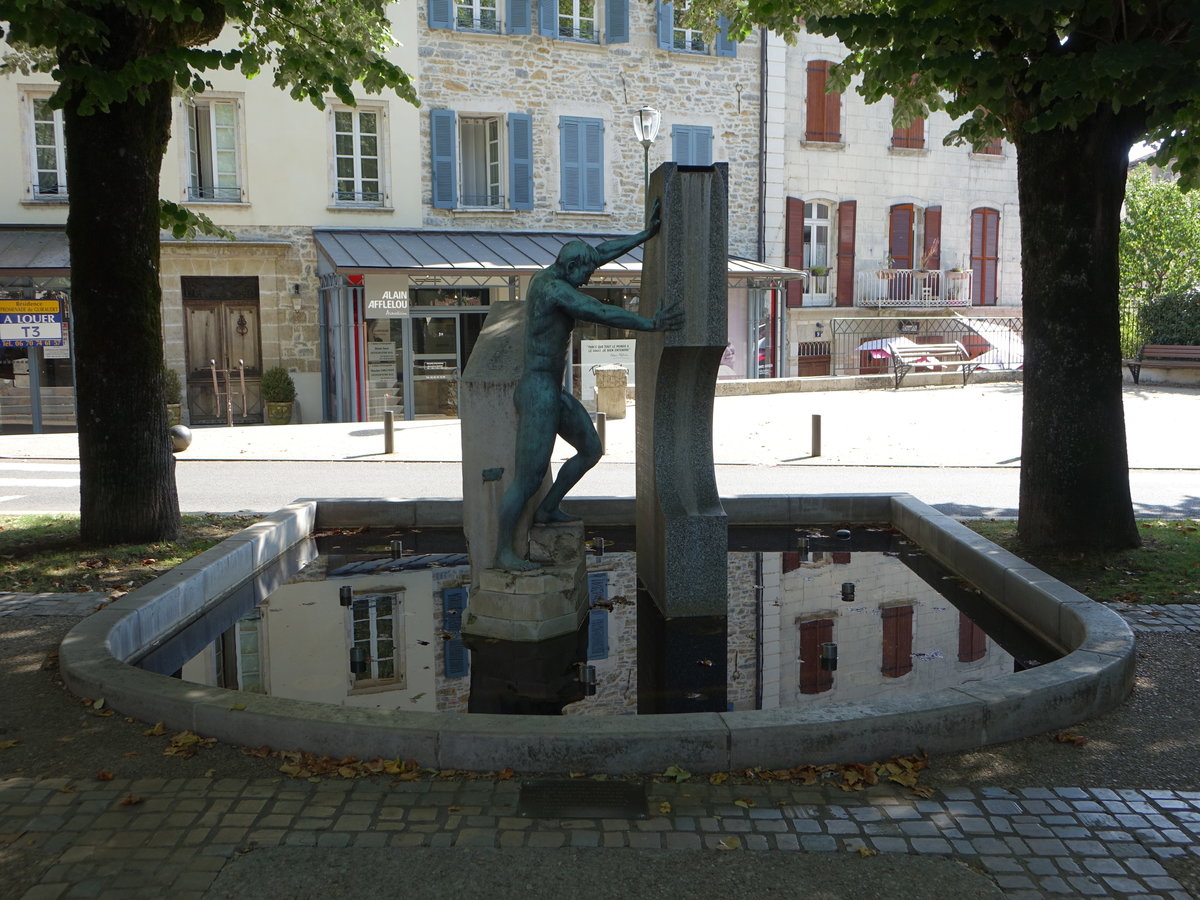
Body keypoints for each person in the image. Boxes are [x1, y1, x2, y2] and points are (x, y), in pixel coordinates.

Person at [494, 199, 683, 570]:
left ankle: (548, 510)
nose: (590, 277)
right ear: (570, 269)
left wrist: (647, 234)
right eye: (586, 274)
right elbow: (600, 312)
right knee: (528, 478)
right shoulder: (554, 290)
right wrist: (651, 324)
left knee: (591, 449)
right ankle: (503, 551)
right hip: (537, 393)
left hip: (552, 390)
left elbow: (602, 253)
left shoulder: (565, 269)